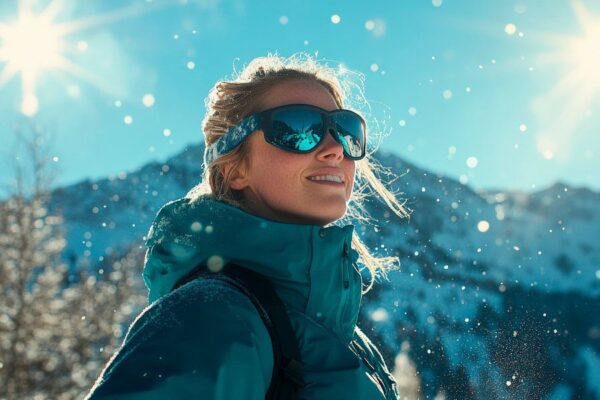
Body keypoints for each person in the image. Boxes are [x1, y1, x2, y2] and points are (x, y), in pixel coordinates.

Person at [85, 52, 409, 399]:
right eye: (297, 128)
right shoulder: (210, 319)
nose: (334, 149)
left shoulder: (343, 337)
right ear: (234, 169)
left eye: (345, 131)